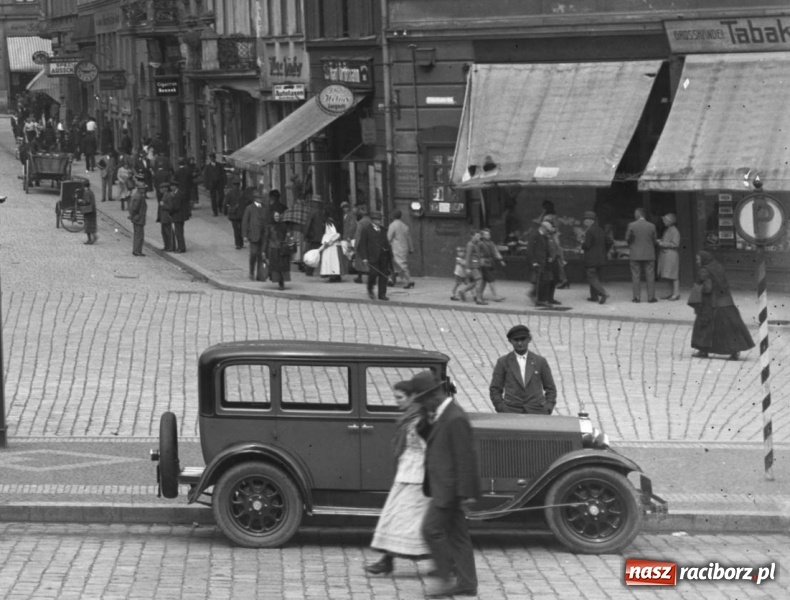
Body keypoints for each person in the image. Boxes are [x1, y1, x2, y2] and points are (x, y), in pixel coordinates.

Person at [410, 371, 480, 598]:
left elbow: (465, 457)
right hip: (446, 488)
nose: (422, 404)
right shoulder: (441, 414)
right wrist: (424, 418)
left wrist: (465, 494)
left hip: (449, 490)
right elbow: (431, 439)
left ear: (434, 396)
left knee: (430, 530)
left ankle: (445, 577)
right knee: (458, 536)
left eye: (423, 400)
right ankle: (467, 583)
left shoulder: (455, 417)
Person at [364, 380, 431, 576]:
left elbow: (431, 448)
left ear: (412, 398)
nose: (396, 402)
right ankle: (387, 560)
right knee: (397, 517)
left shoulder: (421, 419)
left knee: (410, 522)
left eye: (400, 398)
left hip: (418, 477)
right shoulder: (410, 417)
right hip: (407, 473)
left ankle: (388, 560)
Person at [689, 251, 755, 360]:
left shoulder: (704, 271)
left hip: (711, 304)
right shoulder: (718, 266)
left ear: (703, 260)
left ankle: (703, 351)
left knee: (705, 326)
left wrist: (697, 288)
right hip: (727, 301)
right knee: (729, 328)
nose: (697, 262)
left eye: (698, 259)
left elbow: (708, 288)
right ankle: (734, 351)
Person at [489, 324, 557, 415]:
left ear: (529, 339)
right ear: (510, 341)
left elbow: (550, 388)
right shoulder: (503, 362)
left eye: (523, 339)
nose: (520, 343)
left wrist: (548, 407)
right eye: (516, 340)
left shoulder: (540, 361)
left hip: (537, 411)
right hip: (511, 411)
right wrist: (501, 408)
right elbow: (495, 388)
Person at [626, 208, 658, 303]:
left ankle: (637, 298)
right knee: (650, 276)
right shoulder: (652, 226)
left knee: (635, 276)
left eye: (635, 213)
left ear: (638, 214)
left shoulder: (631, 225)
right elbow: (654, 240)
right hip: (649, 254)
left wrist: (632, 245)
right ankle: (651, 297)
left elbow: (627, 238)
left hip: (635, 254)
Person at [357, 213, 392, 301]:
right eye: (378, 220)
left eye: (380, 220)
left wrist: (389, 252)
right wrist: (364, 257)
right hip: (372, 256)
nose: (380, 221)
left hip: (384, 255)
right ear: (373, 220)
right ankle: (370, 289)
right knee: (373, 273)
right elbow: (362, 244)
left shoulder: (383, 230)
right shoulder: (366, 230)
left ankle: (382, 294)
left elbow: (387, 242)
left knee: (383, 275)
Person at [580, 211, 612, 304]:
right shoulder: (600, 230)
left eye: (586, 219)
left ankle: (603, 293)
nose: (584, 221)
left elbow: (587, 245)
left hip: (591, 259)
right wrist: (604, 251)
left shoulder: (589, 231)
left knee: (592, 277)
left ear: (591, 221)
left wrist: (582, 244)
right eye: (584, 219)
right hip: (601, 259)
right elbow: (610, 241)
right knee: (595, 277)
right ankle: (593, 297)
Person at [528, 221, 559, 307]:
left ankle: (540, 298)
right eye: (548, 230)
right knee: (540, 281)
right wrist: (533, 262)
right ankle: (538, 298)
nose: (549, 232)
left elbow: (546, 248)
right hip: (538, 262)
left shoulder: (544, 236)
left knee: (545, 281)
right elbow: (530, 249)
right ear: (543, 228)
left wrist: (549, 256)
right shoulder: (535, 235)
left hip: (545, 261)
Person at [264, 211, 293, 290]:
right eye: (275, 216)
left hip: (282, 249)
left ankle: (282, 282)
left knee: (282, 267)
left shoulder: (283, 226)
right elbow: (266, 239)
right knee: (275, 267)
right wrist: (264, 250)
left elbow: (288, 235)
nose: (277, 218)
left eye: (278, 216)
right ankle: (278, 280)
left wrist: (288, 236)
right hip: (273, 249)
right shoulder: (269, 227)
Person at [242, 194, 268, 281]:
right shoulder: (249, 208)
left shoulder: (265, 208)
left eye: (261, 198)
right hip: (253, 234)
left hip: (263, 234)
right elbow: (245, 222)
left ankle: (260, 275)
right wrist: (244, 235)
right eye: (259, 198)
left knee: (261, 255)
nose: (260, 199)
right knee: (253, 254)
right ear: (255, 199)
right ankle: (251, 272)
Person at [387, 209, 415, 289]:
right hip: (404, 248)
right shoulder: (405, 226)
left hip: (396, 248)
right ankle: (391, 280)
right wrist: (411, 248)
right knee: (395, 265)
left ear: (392, 216)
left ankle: (410, 281)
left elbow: (388, 238)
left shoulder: (393, 225)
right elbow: (409, 238)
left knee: (401, 265)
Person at [657, 213, 681, 300]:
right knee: (669, 275)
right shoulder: (668, 230)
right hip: (667, 255)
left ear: (670, 221)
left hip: (671, 255)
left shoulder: (674, 231)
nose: (663, 222)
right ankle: (671, 293)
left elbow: (675, 244)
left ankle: (676, 294)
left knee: (674, 275)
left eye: (665, 220)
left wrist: (662, 243)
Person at [477, 228, 505, 301]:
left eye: (489, 234)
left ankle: (478, 295)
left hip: (489, 263)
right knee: (491, 280)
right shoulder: (480, 243)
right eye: (486, 234)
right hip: (483, 263)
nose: (488, 235)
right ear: (482, 236)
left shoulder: (491, 243)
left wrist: (500, 260)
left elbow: (495, 252)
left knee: (484, 281)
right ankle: (495, 296)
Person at [303, 196, 326, 276]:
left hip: (313, 237)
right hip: (322, 237)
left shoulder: (312, 212)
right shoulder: (322, 212)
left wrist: (305, 235)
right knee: (322, 254)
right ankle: (324, 271)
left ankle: (309, 270)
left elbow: (308, 225)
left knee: (311, 253)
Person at [319, 218, 345, 282]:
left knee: (331, 261)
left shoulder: (329, 224)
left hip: (331, 247)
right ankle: (337, 276)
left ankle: (333, 276)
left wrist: (326, 242)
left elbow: (332, 235)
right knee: (335, 262)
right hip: (335, 245)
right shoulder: (335, 222)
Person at [128, 173, 148, 256]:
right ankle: (137, 250)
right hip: (138, 218)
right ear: (140, 189)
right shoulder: (138, 196)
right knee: (139, 236)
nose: (144, 190)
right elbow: (134, 208)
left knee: (138, 235)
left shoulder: (138, 195)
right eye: (143, 188)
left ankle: (137, 250)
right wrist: (133, 216)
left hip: (137, 218)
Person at [169, 178, 191, 253]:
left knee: (179, 233)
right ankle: (180, 247)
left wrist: (170, 211)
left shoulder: (178, 195)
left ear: (175, 186)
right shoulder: (177, 193)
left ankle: (181, 248)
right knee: (179, 232)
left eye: (172, 186)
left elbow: (176, 206)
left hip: (178, 216)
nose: (171, 187)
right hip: (179, 216)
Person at [224, 177, 246, 249]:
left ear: (233, 185)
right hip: (241, 215)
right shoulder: (242, 193)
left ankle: (238, 244)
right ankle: (241, 242)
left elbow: (225, 203)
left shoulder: (230, 193)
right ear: (239, 185)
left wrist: (225, 211)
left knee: (236, 230)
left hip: (233, 214)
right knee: (241, 229)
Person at [202, 153, 226, 217]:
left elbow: (223, 174)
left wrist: (224, 183)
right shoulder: (207, 167)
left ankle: (220, 206)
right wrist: (206, 185)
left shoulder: (220, 165)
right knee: (213, 198)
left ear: (215, 158)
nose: (212, 159)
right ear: (210, 159)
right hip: (212, 184)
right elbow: (206, 177)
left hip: (219, 183)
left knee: (221, 196)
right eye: (211, 158)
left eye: (213, 157)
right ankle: (215, 211)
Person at [352, 205, 371, 283]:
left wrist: (356, 245)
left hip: (362, 243)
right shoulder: (370, 221)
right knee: (369, 260)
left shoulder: (361, 222)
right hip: (369, 243)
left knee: (359, 260)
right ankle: (370, 277)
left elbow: (358, 234)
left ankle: (360, 277)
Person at [76, 180, 97, 245]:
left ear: (84, 186)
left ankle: (89, 239)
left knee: (87, 225)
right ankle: (94, 236)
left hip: (88, 211)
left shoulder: (87, 193)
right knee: (91, 224)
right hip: (93, 210)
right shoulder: (91, 192)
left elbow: (87, 202)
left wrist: (81, 201)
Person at [156, 180, 174, 252]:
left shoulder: (169, 196)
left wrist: (163, 205)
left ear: (166, 188)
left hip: (167, 217)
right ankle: (166, 246)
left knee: (168, 233)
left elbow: (170, 207)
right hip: (163, 217)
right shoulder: (164, 195)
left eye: (162, 188)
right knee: (164, 233)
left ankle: (170, 247)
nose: (160, 189)